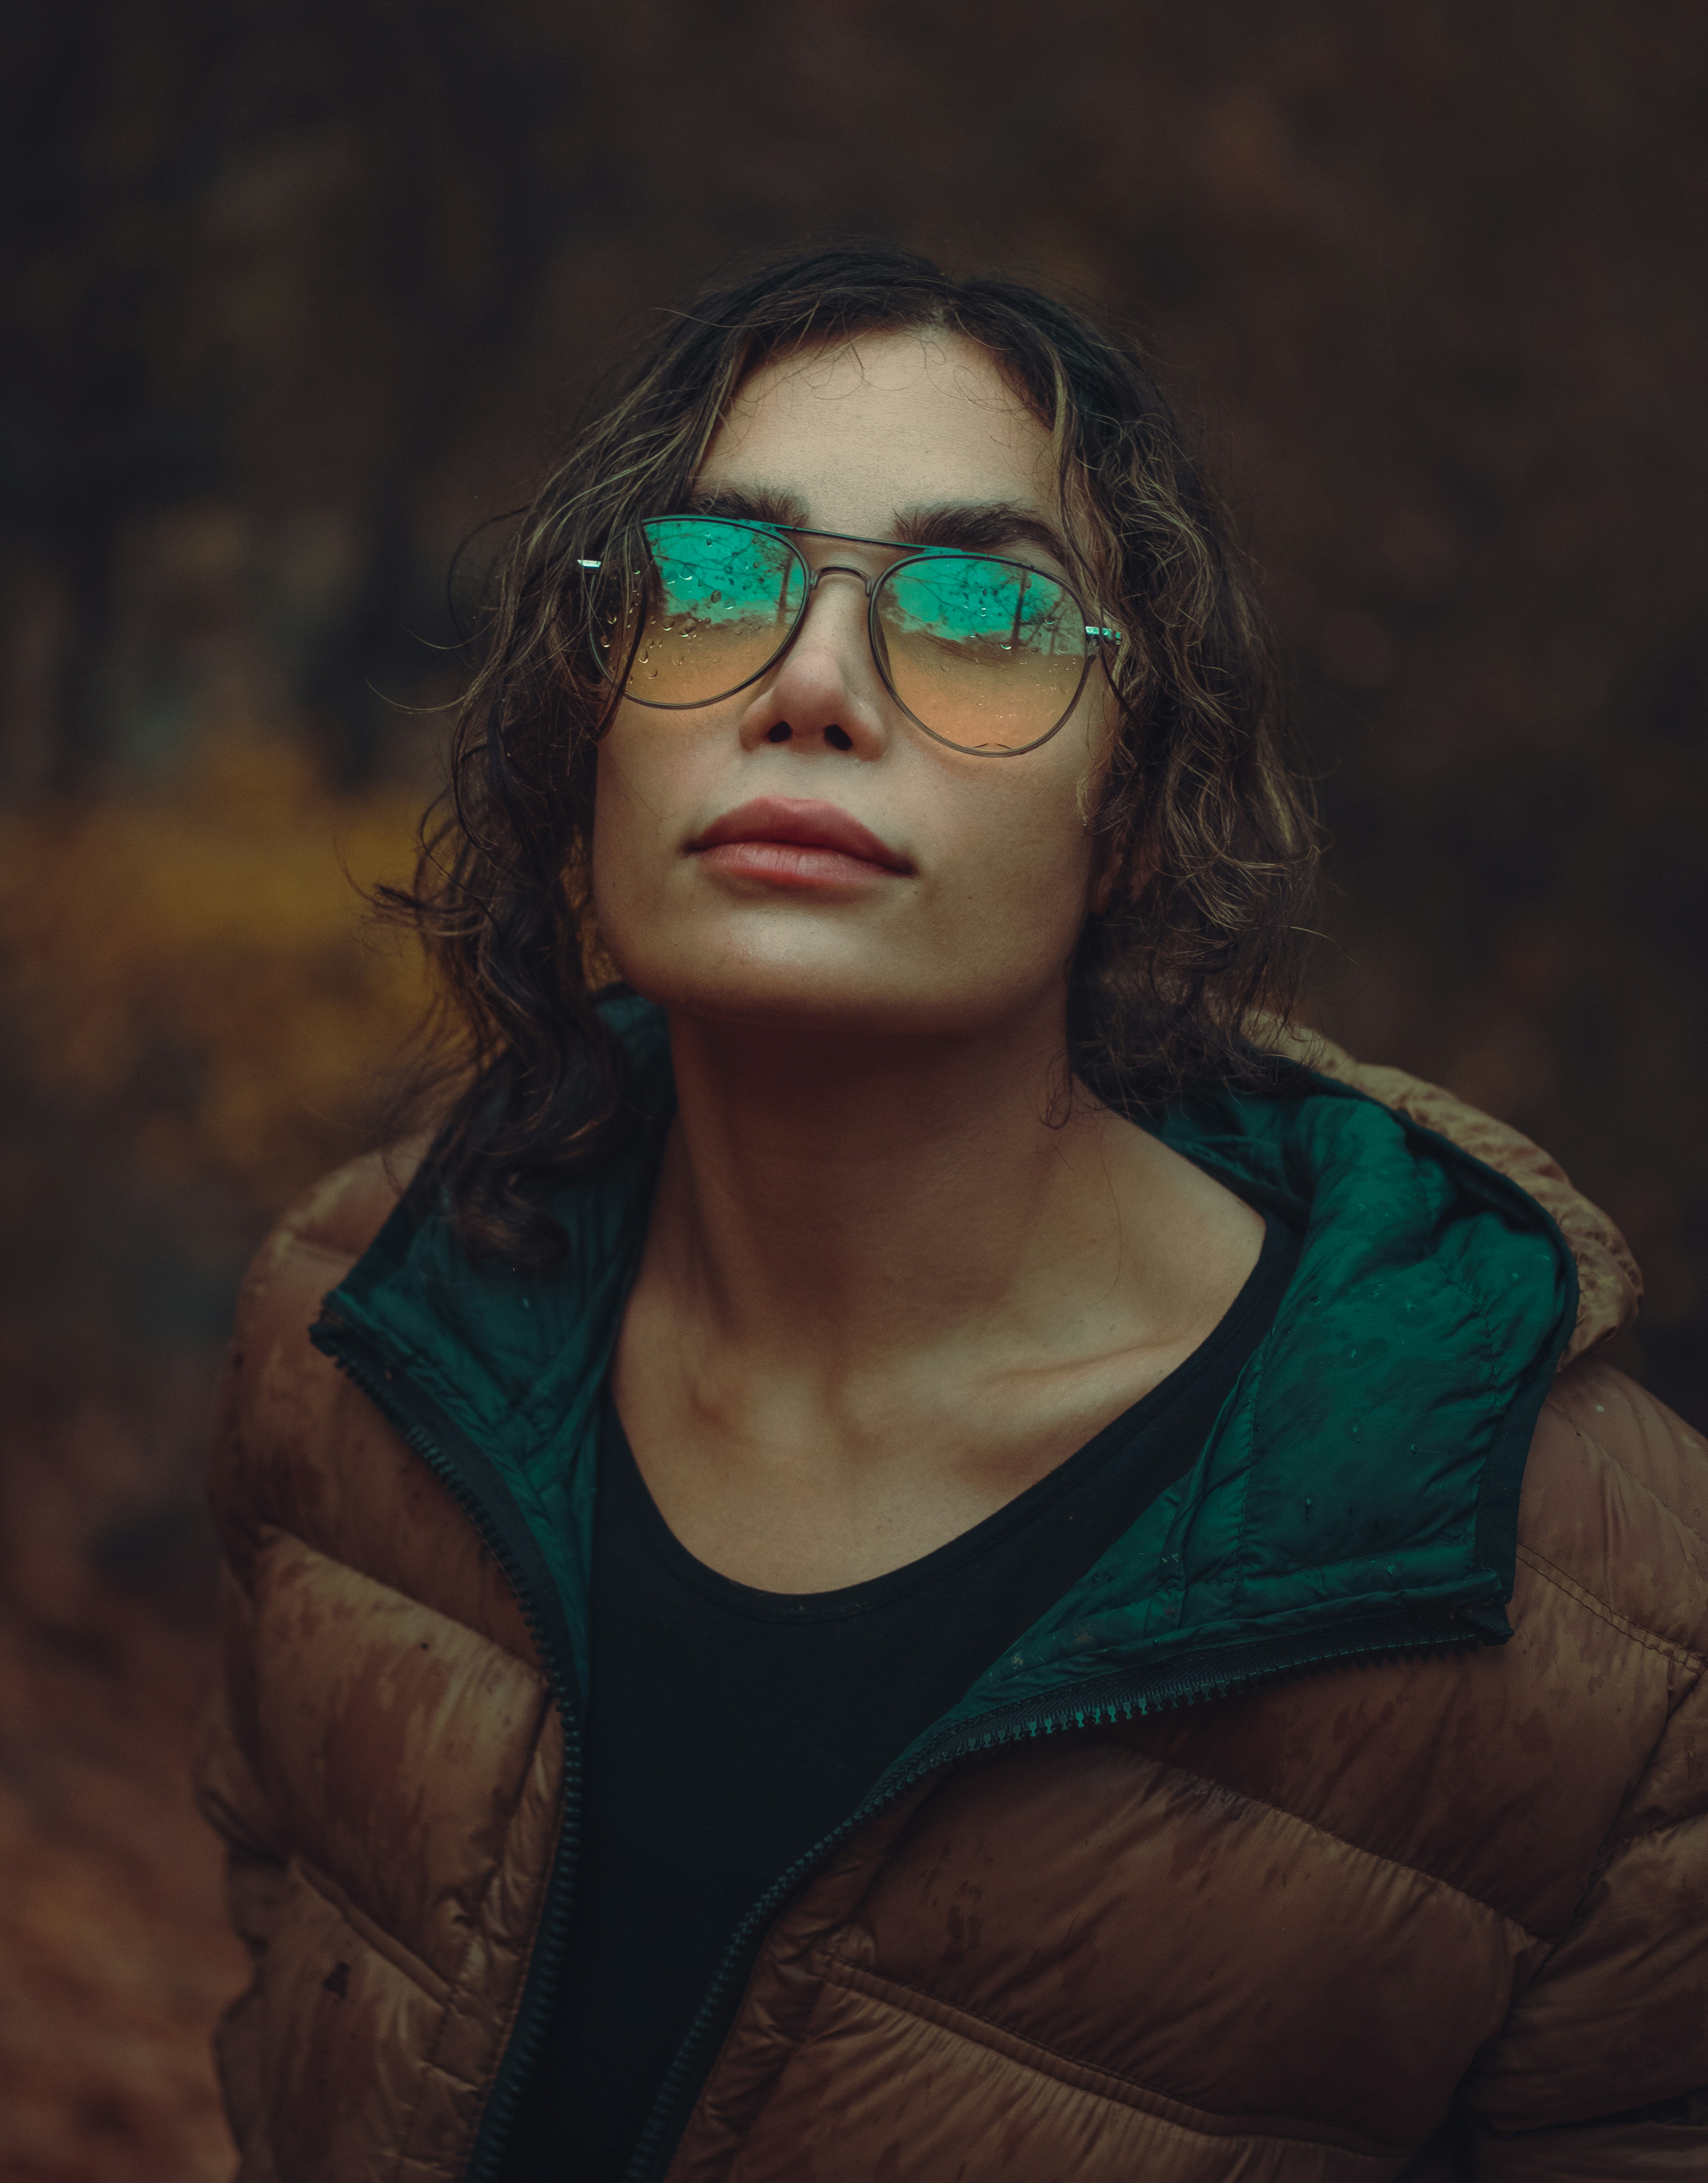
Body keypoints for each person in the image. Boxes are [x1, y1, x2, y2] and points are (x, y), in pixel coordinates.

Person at [198, 245, 1708, 2183]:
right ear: (590, 721)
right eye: (710, 574)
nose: (810, 685)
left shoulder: (1609, 1604)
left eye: (983, 607)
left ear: (1135, 806)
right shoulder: (355, 1321)